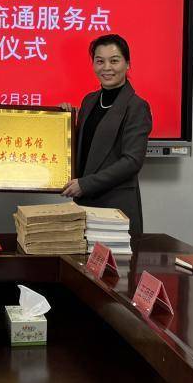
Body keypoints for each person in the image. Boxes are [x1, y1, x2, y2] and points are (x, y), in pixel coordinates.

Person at [61, 34, 152, 235]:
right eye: (100, 61)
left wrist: (86, 184)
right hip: (84, 203)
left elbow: (132, 161)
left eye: (114, 60)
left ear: (127, 64)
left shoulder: (136, 106)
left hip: (115, 207)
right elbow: (84, 149)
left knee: (114, 257)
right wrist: (63, 122)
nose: (107, 67)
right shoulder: (89, 101)